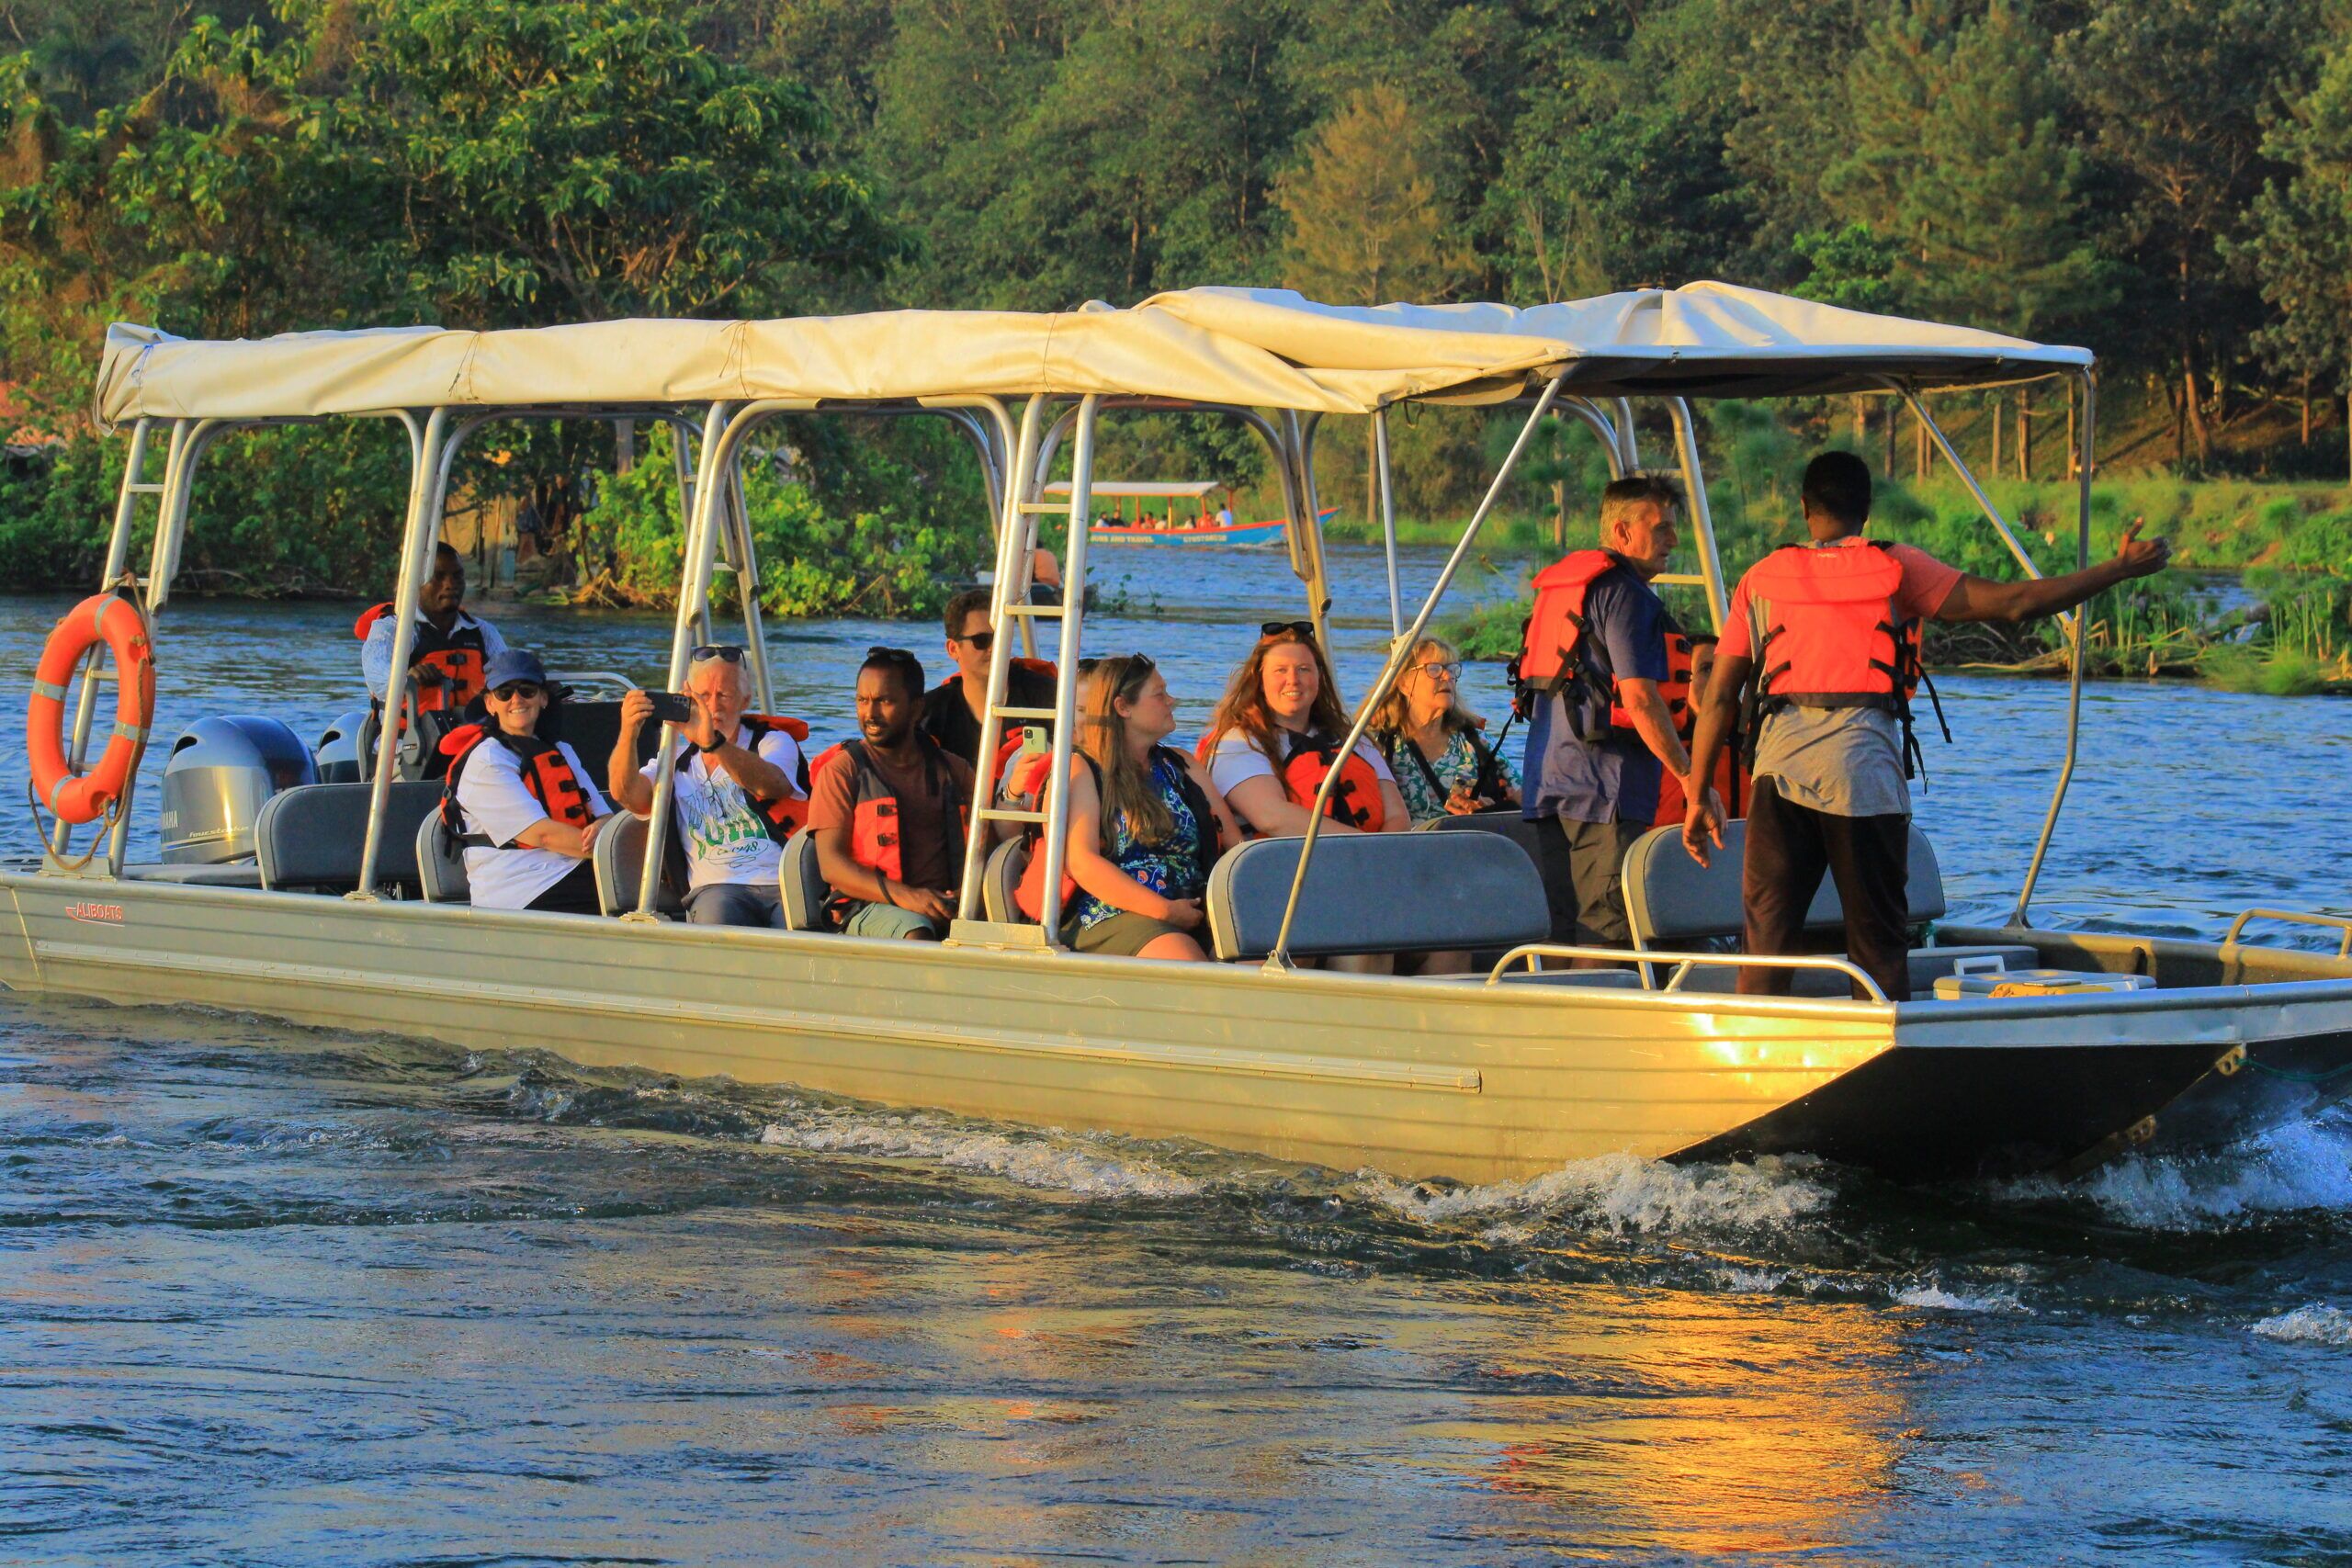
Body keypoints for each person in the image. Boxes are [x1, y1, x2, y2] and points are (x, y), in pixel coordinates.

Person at [1683, 450, 2173, 1000]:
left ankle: (1754, 1054)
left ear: (1804, 508)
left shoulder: (1761, 579)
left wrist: (1698, 792)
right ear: (1867, 511)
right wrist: (2117, 569)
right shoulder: (1897, 568)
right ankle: (1886, 1051)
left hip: (1777, 777)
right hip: (1862, 774)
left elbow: (1722, 693)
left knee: (1767, 942)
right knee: (1877, 943)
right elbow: (2014, 604)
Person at [1518, 473, 1702, 952]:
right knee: (1607, 932)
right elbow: (1640, 699)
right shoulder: (1626, 595)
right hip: (1604, 793)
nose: (1673, 541)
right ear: (1622, 532)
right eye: (1660, 528)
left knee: (1559, 934)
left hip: (1547, 787)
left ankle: (1552, 1024)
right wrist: (1688, 778)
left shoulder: (1565, 589)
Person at [1017, 655, 1239, 959]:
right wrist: (1165, 911)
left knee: (1281, 943)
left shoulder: (1182, 765)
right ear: (1123, 707)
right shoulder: (1081, 769)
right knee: (1183, 956)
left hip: (1195, 906)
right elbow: (1081, 862)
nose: (1172, 701)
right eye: (1160, 694)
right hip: (1107, 913)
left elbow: (1234, 844)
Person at [606, 644, 809, 928]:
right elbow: (629, 796)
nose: (713, 706)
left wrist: (712, 743)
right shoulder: (673, 755)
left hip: (782, 883)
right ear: (687, 697)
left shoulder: (772, 742)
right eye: (703, 696)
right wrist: (629, 733)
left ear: (745, 700)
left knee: (797, 933)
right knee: (720, 922)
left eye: (724, 695)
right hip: (717, 888)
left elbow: (771, 785)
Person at [809, 647, 976, 940]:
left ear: (916, 708)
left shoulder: (955, 770)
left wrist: (970, 891)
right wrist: (907, 897)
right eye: (863, 700)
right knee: (916, 931)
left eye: (884, 701)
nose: (870, 714)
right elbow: (831, 866)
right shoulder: (842, 772)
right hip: (870, 908)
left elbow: (989, 844)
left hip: (948, 905)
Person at [438, 649, 614, 913]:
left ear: (543, 698)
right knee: (637, 887)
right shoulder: (487, 760)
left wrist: (602, 828)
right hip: (518, 886)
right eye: (505, 692)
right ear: (490, 704)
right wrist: (620, 856)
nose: (516, 699)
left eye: (527, 690)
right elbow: (543, 835)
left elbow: (605, 817)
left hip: (575, 865)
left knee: (651, 885)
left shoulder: (561, 750)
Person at [1202, 622, 1408, 838]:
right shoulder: (1238, 744)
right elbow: (1271, 817)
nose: (1293, 680)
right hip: (1287, 868)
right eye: (1280, 670)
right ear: (1260, 680)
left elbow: (1398, 816)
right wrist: (1361, 848)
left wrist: (1374, 857)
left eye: (1304, 669)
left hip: (1369, 863)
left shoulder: (1355, 741)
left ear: (1319, 676)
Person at [357, 543, 508, 775]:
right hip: (406, 750)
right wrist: (406, 677)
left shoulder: (482, 631)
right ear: (415, 583)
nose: (450, 585)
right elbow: (378, 676)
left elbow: (508, 675)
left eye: (457, 576)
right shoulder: (393, 630)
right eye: (438, 577)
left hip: (471, 745)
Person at [1367, 635, 1520, 824]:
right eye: (1434, 669)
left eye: (1452, 669)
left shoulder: (1476, 742)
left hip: (1463, 847)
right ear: (1404, 682)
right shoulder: (1374, 744)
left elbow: (1524, 797)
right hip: (1402, 849)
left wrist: (1491, 810)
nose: (1447, 676)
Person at [918, 587, 1055, 774]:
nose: (993, 648)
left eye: (1000, 638)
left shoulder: (1047, 697)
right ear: (953, 649)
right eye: (981, 640)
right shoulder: (930, 713)